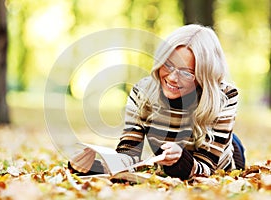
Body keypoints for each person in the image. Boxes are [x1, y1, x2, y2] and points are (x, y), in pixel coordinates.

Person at [69, 24, 246, 180]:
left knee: (225, 147)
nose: (172, 77)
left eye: (186, 72)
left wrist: (181, 158)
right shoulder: (143, 93)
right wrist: (88, 167)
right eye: (168, 65)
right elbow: (128, 155)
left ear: (203, 76)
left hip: (221, 155)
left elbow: (207, 167)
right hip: (179, 159)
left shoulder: (225, 95)